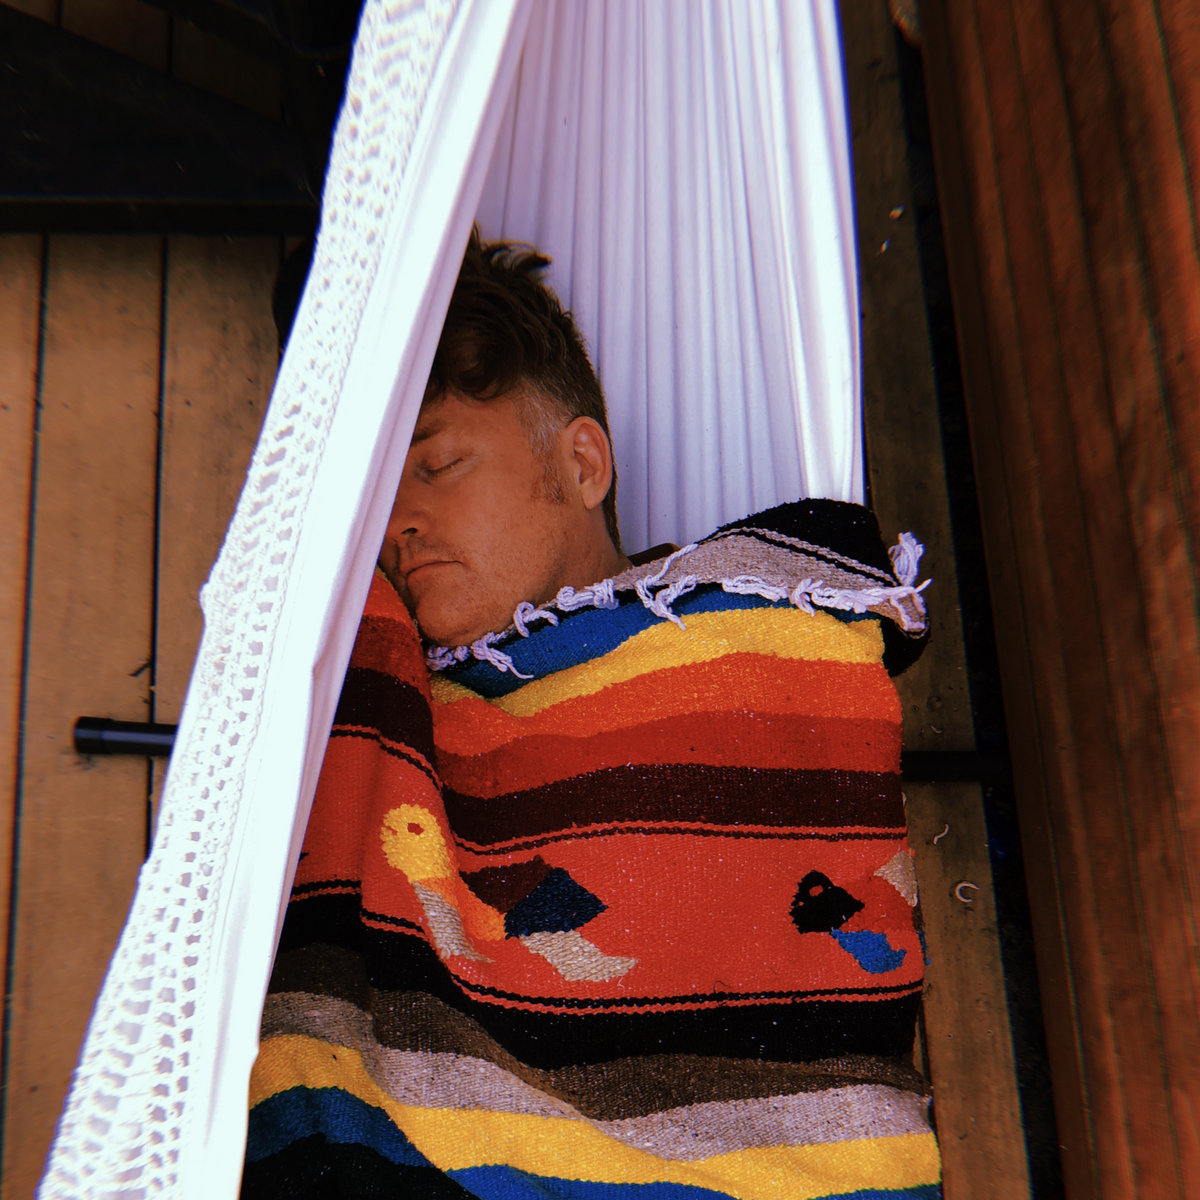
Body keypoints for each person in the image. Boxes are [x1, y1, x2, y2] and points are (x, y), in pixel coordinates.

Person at [243, 231, 941, 1199]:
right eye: (376, 502)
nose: (398, 524)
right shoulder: (381, 694)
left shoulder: (763, 628)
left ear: (581, 464)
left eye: (437, 465)